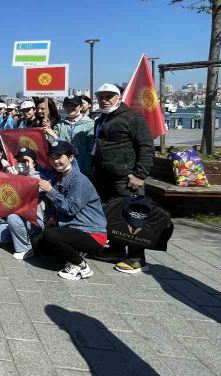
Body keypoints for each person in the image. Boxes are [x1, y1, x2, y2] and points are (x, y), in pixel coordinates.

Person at [91, 83, 156, 273]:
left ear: (119, 97)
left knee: (133, 216)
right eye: (101, 96)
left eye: (109, 96)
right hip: (104, 177)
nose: (104, 100)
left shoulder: (133, 118)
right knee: (112, 215)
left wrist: (140, 174)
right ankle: (117, 249)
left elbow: (146, 147)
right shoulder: (102, 118)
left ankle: (137, 257)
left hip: (126, 178)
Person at [34, 140, 108, 281]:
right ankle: (74, 254)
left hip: (91, 233)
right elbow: (55, 205)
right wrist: (52, 217)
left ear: (71, 158)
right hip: (72, 228)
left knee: (50, 235)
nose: (55, 161)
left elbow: (71, 208)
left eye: (59, 157)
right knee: (39, 244)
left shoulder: (79, 180)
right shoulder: (57, 176)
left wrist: (51, 191)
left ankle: (81, 266)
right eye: (52, 157)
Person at [0, 147, 44, 259]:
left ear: (33, 162)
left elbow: (38, 187)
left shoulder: (39, 177)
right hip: (18, 218)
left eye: (24, 161)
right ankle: (20, 237)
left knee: (12, 218)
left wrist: (31, 169)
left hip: (34, 221)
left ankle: (26, 249)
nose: (20, 163)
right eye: (19, 160)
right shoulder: (15, 176)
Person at [46, 95, 94, 173]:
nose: (70, 108)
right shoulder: (60, 125)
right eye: (67, 105)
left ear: (81, 107)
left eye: (74, 105)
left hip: (83, 167)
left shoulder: (90, 124)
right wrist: (48, 131)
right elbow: (53, 144)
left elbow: (91, 149)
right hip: (63, 168)